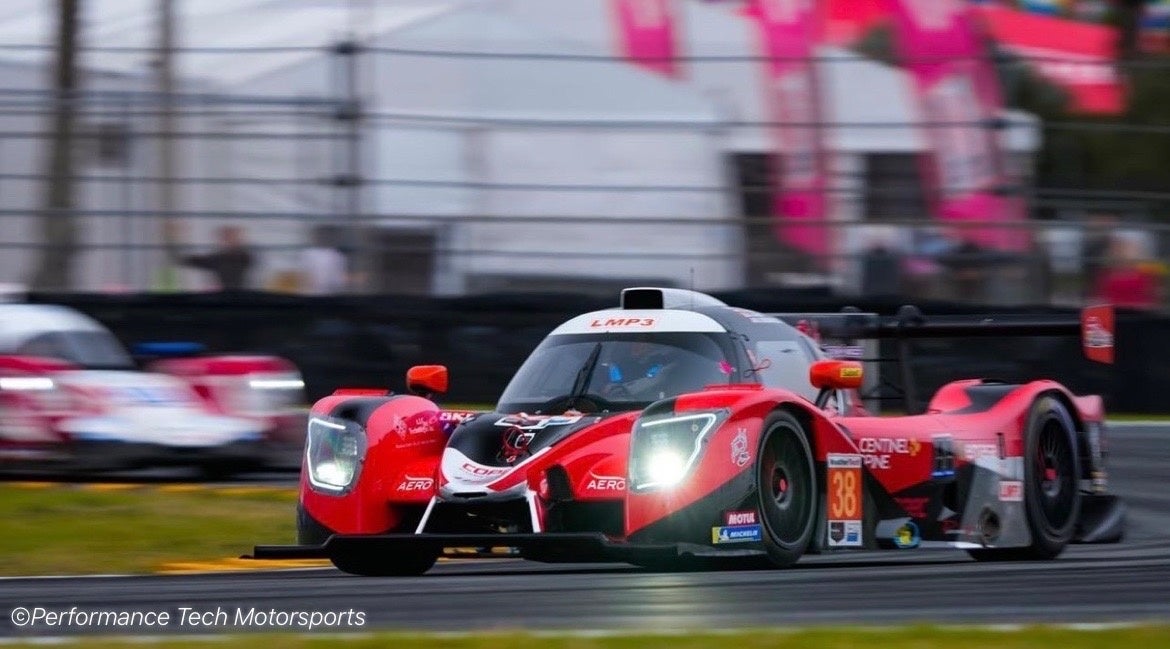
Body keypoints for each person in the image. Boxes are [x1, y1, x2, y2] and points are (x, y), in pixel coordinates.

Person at [170, 224, 254, 291]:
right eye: (226, 237)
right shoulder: (219, 259)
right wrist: (176, 237)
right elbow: (184, 260)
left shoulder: (244, 258)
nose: (227, 241)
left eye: (231, 237)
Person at [300, 226, 348, 295]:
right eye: (321, 235)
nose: (324, 237)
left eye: (326, 235)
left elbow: (338, 280)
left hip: (331, 294)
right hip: (309, 293)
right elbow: (302, 275)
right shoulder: (307, 254)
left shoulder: (338, 256)